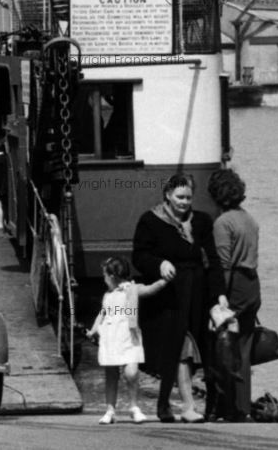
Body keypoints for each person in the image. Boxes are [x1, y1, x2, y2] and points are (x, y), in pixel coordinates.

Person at [132, 173, 221, 423]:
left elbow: (212, 260)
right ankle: (180, 406)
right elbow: (139, 256)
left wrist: (219, 296)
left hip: (197, 294)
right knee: (177, 349)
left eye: (188, 197)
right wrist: (159, 264)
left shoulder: (202, 221)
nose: (184, 202)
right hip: (168, 296)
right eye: (179, 197)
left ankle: (178, 406)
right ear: (168, 195)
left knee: (196, 350)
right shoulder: (150, 221)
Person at [207, 168, 261, 422]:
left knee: (224, 346)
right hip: (253, 284)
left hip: (235, 284)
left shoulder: (223, 222)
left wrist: (220, 297)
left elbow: (224, 265)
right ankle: (244, 408)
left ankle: (227, 408)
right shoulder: (249, 219)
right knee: (244, 348)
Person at [87, 257, 168, 424]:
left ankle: (133, 406)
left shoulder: (131, 290)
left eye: (104, 276)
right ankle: (110, 409)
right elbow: (103, 314)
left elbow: (148, 290)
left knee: (131, 372)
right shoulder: (107, 296)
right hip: (110, 338)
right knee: (111, 375)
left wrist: (163, 281)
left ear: (112, 276)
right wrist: (94, 329)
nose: (103, 279)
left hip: (128, 338)